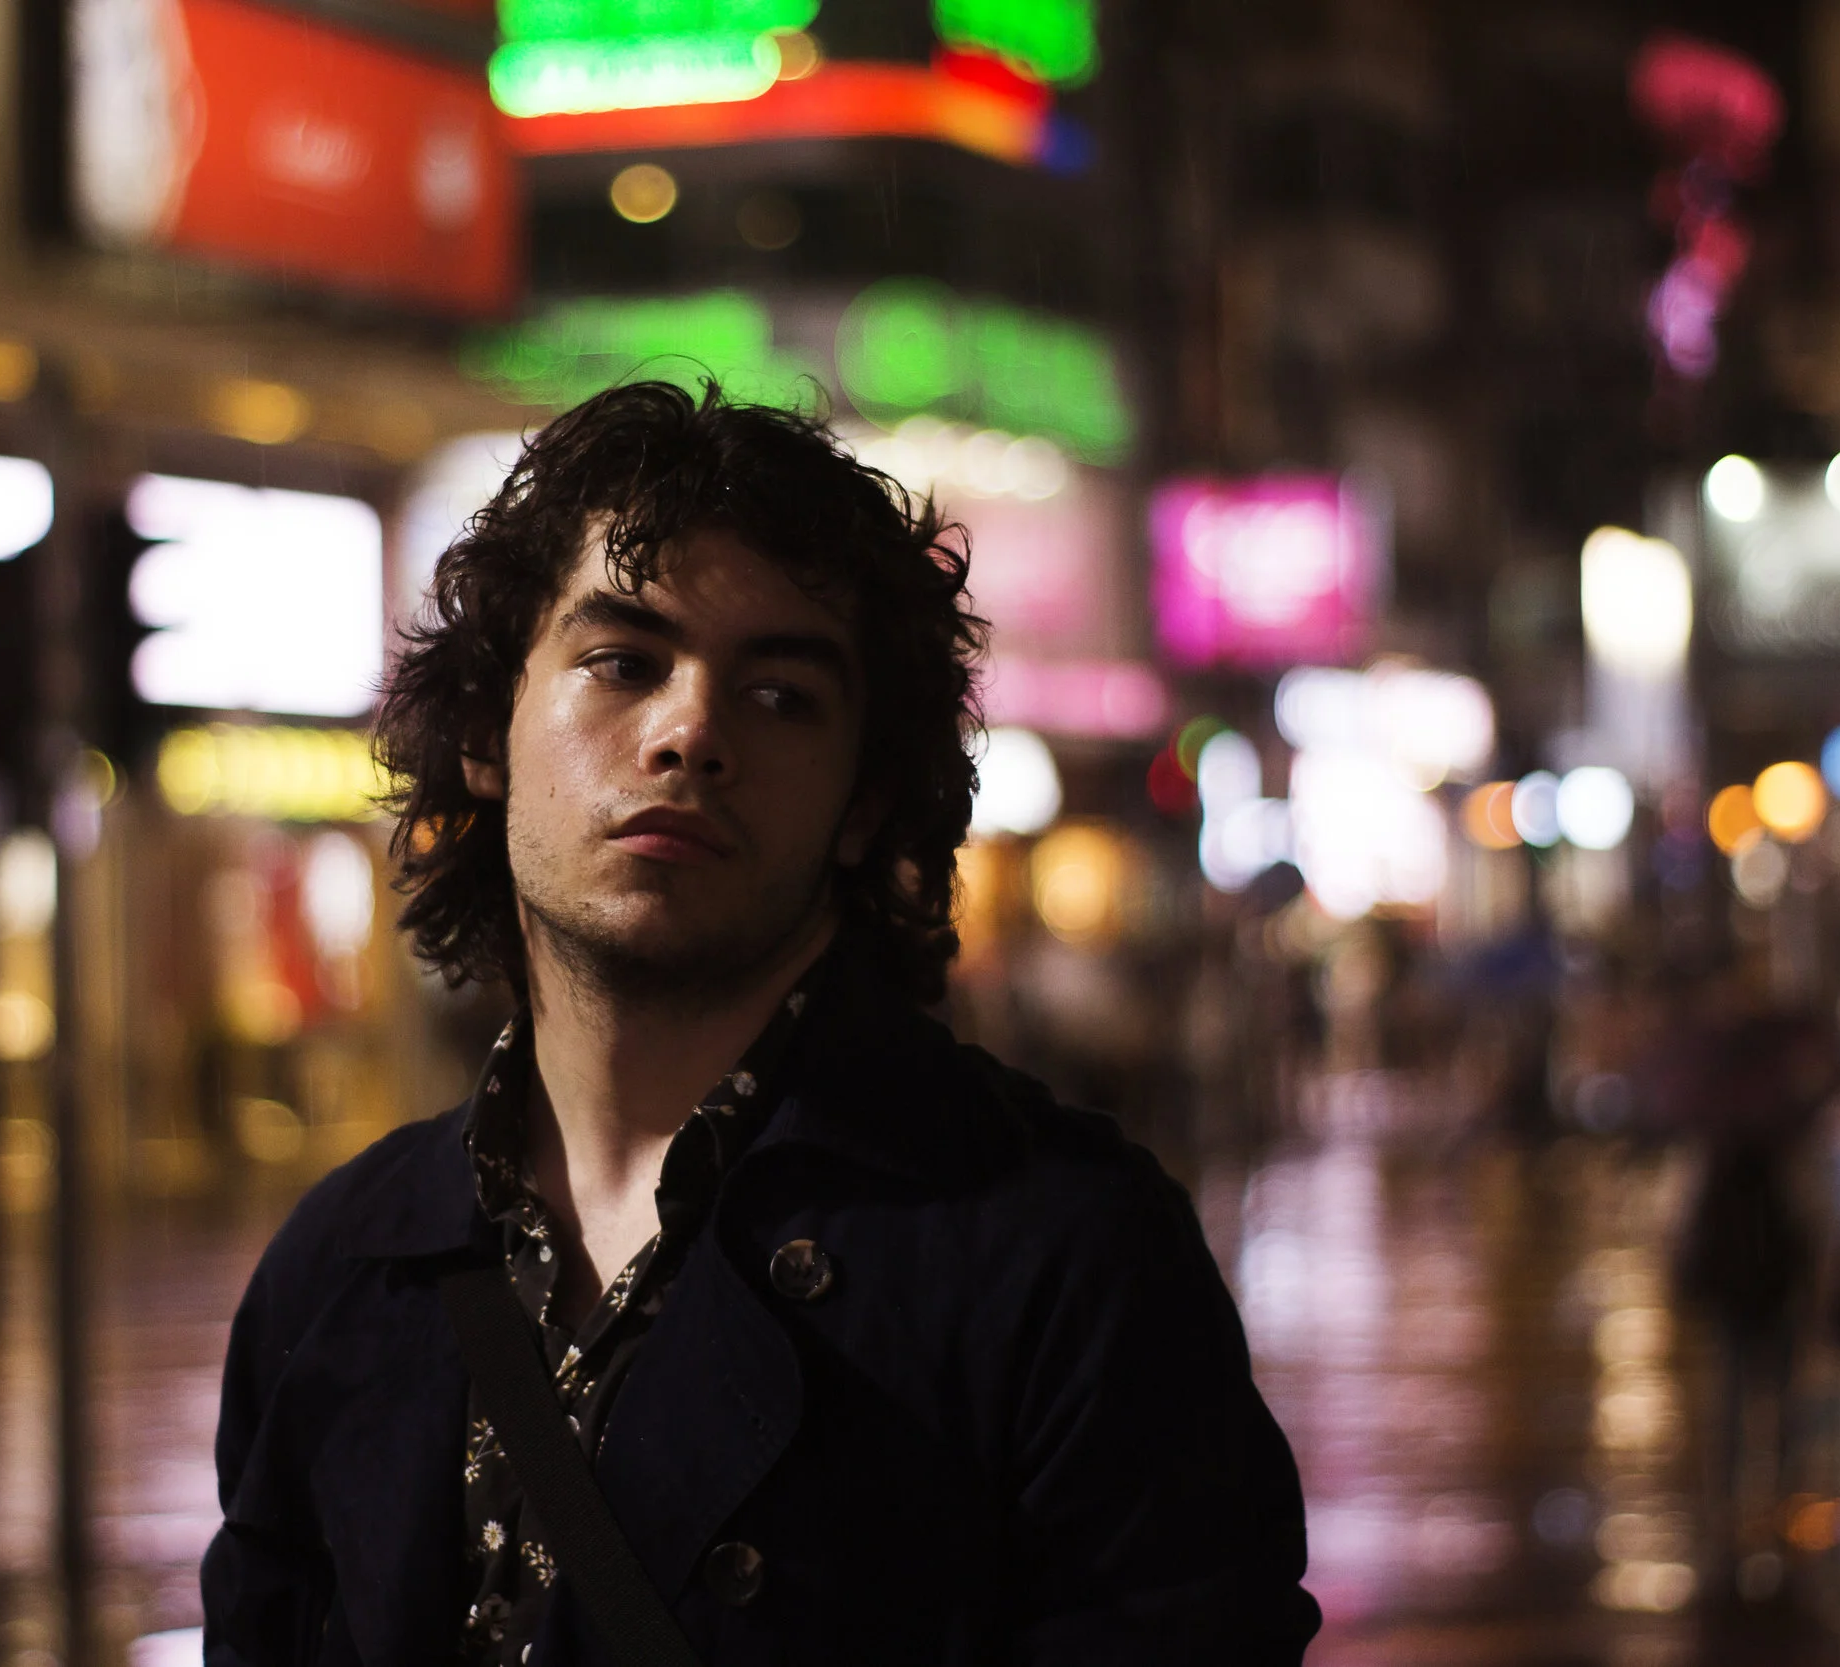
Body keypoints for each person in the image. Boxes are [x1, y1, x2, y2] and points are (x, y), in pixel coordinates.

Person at [200, 382, 1319, 1665]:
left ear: (862, 804)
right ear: (485, 736)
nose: (691, 732)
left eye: (782, 695)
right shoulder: (341, 1266)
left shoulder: (1060, 1255)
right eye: (622, 661)